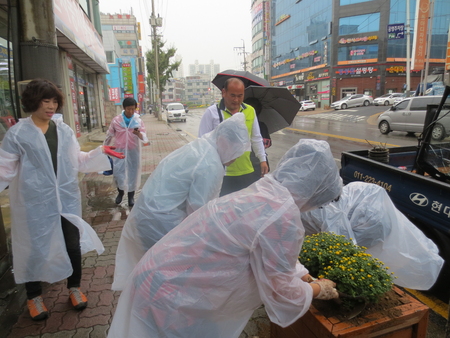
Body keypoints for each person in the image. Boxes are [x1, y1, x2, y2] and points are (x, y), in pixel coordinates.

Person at [108, 139, 342, 338]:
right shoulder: (284, 216)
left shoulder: (265, 191)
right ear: (315, 190)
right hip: (171, 300)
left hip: (157, 277)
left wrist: (302, 273)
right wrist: (317, 289)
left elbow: (265, 248)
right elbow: (281, 294)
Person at [0, 79, 124, 321]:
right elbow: (4, 168)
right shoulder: (18, 134)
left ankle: (74, 288)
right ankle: (33, 296)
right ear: (32, 102)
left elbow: (75, 159)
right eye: (45, 101)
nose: (51, 106)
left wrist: (99, 151)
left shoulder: (64, 130)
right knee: (34, 246)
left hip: (65, 199)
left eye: (55, 101)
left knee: (71, 243)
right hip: (34, 202)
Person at [112, 113, 251, 290]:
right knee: (166, 279)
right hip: (160, 222)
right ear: (224, 141)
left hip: (149, 215)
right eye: (237, 150)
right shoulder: (210, 163)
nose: (236, 157)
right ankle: (152, 309)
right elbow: (199, 213)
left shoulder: (201, 147)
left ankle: (148, 302)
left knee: (154, 272)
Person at [198, 78, 268, 196]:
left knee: (245, 208)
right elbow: (202, 143)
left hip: (246, 171)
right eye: (233, 95)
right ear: (224, 93)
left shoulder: (250, 111)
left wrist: (263, 160)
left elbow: (256, 138)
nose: (236, 100)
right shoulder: (212, 113)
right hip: (222, 174)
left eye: (240, 96)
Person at [105, 97, 149, 207]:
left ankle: (131, 197)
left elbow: (144, 137)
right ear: (124, 108)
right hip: (119, 152)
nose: (130, 112)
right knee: (119, 173)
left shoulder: (138, 121)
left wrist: (138, 134)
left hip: (133, 151)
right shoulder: (116, 121)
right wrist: (105, 147)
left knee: (133, 173)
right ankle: (120, 193)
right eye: (128, 109)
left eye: (133, 109)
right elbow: (109, 135)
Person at [244, 97, 272, 183]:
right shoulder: (262, 125)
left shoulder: (242, 124)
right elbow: (268, 143)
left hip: (247, 164)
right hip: (261, 163)